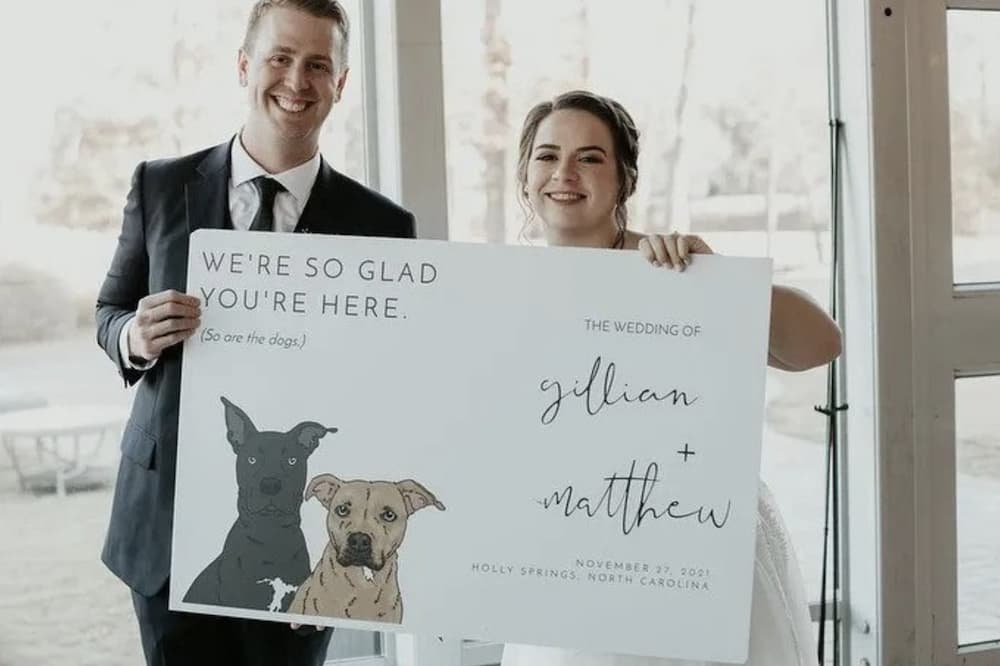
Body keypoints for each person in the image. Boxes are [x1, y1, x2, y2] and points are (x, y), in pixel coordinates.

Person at [94, 1, 415, 664]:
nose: (297, 80)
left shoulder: (382, 227)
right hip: (167, 524)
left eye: (318, 65)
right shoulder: (161, 185)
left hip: (301, 532)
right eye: (279, 58)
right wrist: (137, 335)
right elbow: (109, 312)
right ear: (245, 66)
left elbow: (387, 393)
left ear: (342, 84)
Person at [501, 90, 842, 666]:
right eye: (546, 155)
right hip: (562, 549)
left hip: (687, 542)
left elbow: (821, 344)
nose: (564, 173)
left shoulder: (670, 271)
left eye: (589, 157)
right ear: (525, 173)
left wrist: (721, 284)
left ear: (624, 181)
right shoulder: (500, 286)